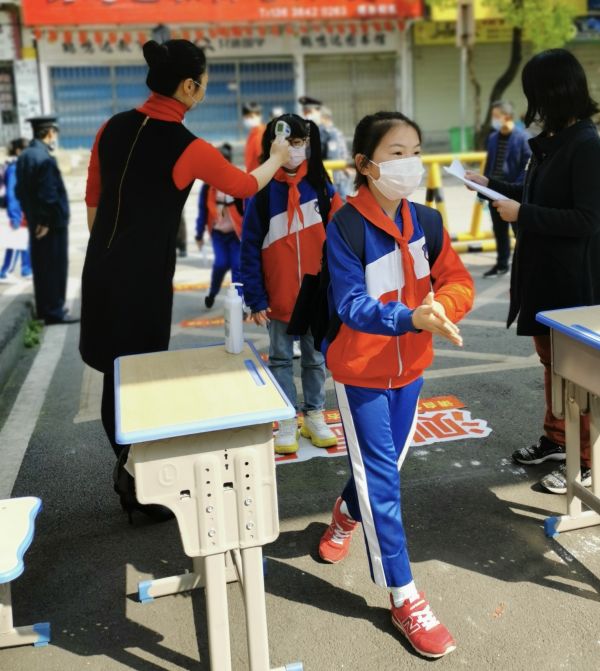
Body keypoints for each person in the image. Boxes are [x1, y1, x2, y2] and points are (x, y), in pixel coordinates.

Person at [80, 39, 290, 522]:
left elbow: (93, 199)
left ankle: (130, 471)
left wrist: (113, 251)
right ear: (189, 86)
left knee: (117, 374)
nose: (204, 91)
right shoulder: (190, 147)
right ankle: (135, 481)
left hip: (101, 269)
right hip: (144, 279)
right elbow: (242, 186)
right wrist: (277, 156)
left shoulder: (110, 128)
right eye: (203, 84)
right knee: (139, 378)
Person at [319, 112, 474, 659]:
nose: (408, 163)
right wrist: (411, 318)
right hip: (360, 374)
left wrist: (441, 307)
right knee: (382, 479)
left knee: (382, 469)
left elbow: (456, 279)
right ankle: (403, 596)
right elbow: (350, 304)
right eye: (395, 152)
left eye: (414, 150)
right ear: (364, 164)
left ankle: (343, 514)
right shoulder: (345, 226)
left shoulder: (428, 222)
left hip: (411, 372)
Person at [465, 49, 600, 494]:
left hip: (572, 282)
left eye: (534, 94)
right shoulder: (558, 139)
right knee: (552, 365)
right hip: (546, 275)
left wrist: (522, 212)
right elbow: (537, 193)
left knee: (576, 373)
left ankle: (584, 461)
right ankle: (557, 439)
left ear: (553, 93)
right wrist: (491, 187)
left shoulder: (586, 144)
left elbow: (586, 219)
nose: (531, 105)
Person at [241, 113, 343, 454]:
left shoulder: (323, 188)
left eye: (300, 143)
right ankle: (286, 418)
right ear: (273, 146)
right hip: (279, 294)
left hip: (316, 295)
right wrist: (254, 296)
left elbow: (342, 242)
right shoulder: (262, 191)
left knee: (315, 359)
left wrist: (340, 288)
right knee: (281, 359)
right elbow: (249, 246)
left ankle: (314, 415)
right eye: (288, 143)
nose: (295, 151)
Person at [15, 116, 75, 324]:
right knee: (54, 266)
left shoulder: (25, 156)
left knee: (42, 266)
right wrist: (45, 222)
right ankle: (54, 312)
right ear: (49, 133)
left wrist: (33, 217)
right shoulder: (44, 158)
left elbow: (19, 191)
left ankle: (44, 309)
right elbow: (48, 194)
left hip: (36, 221)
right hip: (51, 224)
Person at [481, 100, 531, 277]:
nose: (494, 120)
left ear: (507, 117)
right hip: (494, 192)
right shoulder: (493, 138)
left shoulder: (523, 138)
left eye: (496, 117)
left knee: (519, 231)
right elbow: (490, 164)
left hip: (514, 194)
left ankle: (526, 265)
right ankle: (502, 264)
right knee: (499, 231)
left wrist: (514, 188)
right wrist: (483, 186)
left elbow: (528, 166)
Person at [195, 143, 244, 308]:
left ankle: (238, 303)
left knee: (237, 266)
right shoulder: (208, 186)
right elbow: (203, 211)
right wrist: (198, 234)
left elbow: (249, 208)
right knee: (221, 264)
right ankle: (212, 293)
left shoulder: (238, 181)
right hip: (218, 234)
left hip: (236, 235)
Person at [0, 138, 32, 281]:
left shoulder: (18, 165)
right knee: (16, 242)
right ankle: (5, 271)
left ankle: (26, 269)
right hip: (17, 212)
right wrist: (15, 216)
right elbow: (12, 194)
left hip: (22, 210)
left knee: (22, 241)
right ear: (19, 150)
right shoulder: (14, 168)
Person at [320, 105, 353, 200]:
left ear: (324, 118)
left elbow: (333, 156)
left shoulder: (331, 133)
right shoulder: (335, 132)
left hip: (337, 174)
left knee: (339, 202)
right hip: (339, 173)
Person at [299, 95, 330, 159]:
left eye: (309, 112)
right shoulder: (306, 133)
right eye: (304, 113)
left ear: (318, 112)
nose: (306, 115)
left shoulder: (326, 133)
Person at [242, 101, 266, 172]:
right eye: (246, 117)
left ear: (259, 116)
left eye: (251, 116)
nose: (249, 119)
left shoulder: (263, 133)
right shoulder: (252, 134)